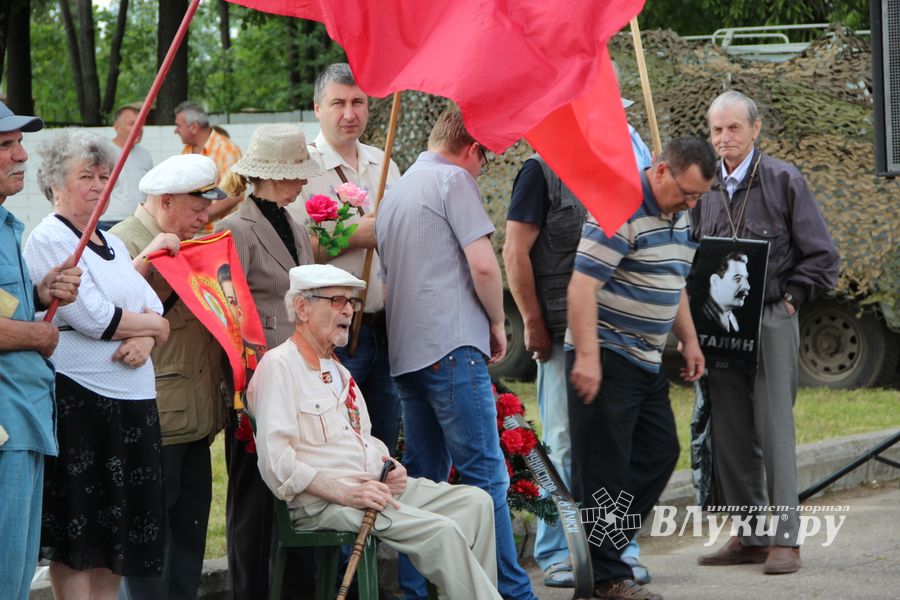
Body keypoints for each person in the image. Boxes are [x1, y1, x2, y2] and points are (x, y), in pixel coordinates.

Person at [249, 263, 504, 599]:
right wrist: (344, 493)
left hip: (369, 488)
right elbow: (277, 463)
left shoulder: (337, 370)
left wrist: (388, 465)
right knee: (443, 532)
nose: (348, 311)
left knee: (475, 502)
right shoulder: (279, 366)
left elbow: (362, 438)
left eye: (351, 303)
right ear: (302, 308)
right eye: (337, 300)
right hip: (325, 500)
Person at [377, 108, 537, 600]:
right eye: (484, 159)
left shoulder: (396, 190)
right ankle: (512, 591)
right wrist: (495, 321)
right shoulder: (453, 180)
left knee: (420, 480)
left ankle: (414, 590)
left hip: (406, 353)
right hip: (451, 347)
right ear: (473, 149)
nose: (481, 168)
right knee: (485, 475)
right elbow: (485, 269)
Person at [503, 95, 654, 589]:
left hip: (622, 333)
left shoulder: (626, 165)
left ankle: (616, 551)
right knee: (563, 444)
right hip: (563, 334)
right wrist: (532, 321)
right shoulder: (539, 171)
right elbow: (514, 250)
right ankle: (557, 551)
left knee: (619, 444)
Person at [694, 91, 839, 575]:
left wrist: (794, 299)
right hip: (719, 325)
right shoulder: (706, 184)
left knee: (774, 427)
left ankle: (786, 540)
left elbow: (821, 254)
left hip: (774, 316)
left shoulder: (782, 178)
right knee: (730, 429)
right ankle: (750, 534)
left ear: (755, 129)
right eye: (716, 130)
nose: (724, 138)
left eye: (733, 128)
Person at [23, 129, 171, 600]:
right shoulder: (49, 238)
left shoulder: (115, 242)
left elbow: (159, 312)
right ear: (54, 185)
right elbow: (94, 319)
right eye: (86, 176)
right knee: (79, 535)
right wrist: (147, 327)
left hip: (134, 403)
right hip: (82, 401)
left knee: (119, 533)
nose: (98, 185)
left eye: (104, 177)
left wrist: (148, 337)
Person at [567, 137, 716, 600]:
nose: (691, 202)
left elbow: (674, 283)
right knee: (605, 468)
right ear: (661, 170)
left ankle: (600, 553)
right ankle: (608, 575)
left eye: (698, 196)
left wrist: (689, 339)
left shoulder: (680, 215)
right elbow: (580, 288)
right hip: (607, 355)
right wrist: (589, 358)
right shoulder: (621, 209)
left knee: (658, 453)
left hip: (647, 359)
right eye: (686, 192)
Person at [110, 154, 227, 600]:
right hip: (151, 418)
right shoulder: (122, 247)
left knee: (187, 545)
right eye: (197, 208)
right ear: (164, 202)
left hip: (193, 419)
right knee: (147, 553)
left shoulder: (190, 242)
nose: (205, 216)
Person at [215, 124, 322, 599]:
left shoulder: (295, 225)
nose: (304, 182)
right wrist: (240, 388)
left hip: (297, 381)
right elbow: (228, 311)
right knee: (252, 504)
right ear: (277, 175)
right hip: (255, 386)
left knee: (294, 496)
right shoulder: (236, 229)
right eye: (298, 172)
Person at [288, 63, 403, 455]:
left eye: (358, 102)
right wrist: (358, 233)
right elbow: (298, 249)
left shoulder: (385, 164)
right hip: (332, 332)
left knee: (383, 445)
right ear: (317, 107)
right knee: (337, 445)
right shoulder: (301, 168)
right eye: (338, 103)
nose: (350, 113)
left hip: (385, 328)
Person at [0, 102, 82, 600]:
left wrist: (40, 293)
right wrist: (36, 334)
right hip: (5, 428)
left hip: (24, 420)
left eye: (18, 142)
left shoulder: (7, 225)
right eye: (5, 146)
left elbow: (5, 301)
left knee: (15, 567)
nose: (22, 155)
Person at [174, 101, 242, 231]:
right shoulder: (186, 150)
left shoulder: (227, 149)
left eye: (178, 125)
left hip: (220, 233)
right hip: (192, 231)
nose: (175, 130)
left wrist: (202, 216)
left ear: (194, 127)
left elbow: (235, 195)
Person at [99, 104, 154, 230]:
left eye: (141, 123)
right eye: (132, 123)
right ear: (117, 127)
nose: (139, 128)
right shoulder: (102, 152)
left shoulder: (145, 155)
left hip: (138, 222)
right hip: (108, 222)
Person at [702, 252, 751, 333]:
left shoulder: (732, 318)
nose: (747, 286)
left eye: (745, 278)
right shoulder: (701, 316)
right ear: (715, 282)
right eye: (738, 279)